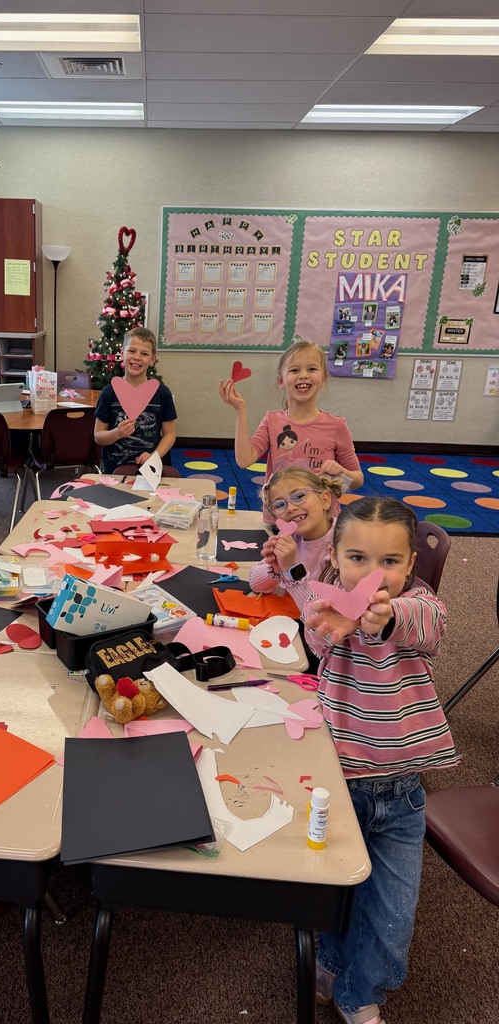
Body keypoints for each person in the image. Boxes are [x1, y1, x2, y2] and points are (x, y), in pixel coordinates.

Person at [301, 497, 459, 1024]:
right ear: (336, 560)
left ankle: (359, 991)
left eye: (389, 561)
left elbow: (426, 626)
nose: (373, 574)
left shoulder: (419, 606)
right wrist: (327, 621)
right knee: (335, 886)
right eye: (358, 559)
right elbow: (314, 644)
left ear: (411, 563)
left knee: (393, 911)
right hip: (339, 780)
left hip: (402, 790)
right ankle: (332, 963)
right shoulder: (325, 601)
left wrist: (382, 618)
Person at [218, 339, 363, 520]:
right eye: (294, 370)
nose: (303, 375)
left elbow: (357, 480)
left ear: (323, 379)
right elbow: (244, 460)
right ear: (281, 380)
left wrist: (342, 472)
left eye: (312, 369)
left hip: (322, 525)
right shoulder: (272, 421)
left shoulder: (336, 426)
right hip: (282, 521)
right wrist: (240, 410)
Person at [248, 467, 343, 597]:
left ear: (325, 500)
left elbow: (323, 608)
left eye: (299, 496)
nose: (290, 508)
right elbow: (256, 585)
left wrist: (290, 568)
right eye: (280, 505)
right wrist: (274, 568)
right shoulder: (289, 537)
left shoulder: (343, 544)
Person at [94, 327, 177, 474]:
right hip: (115, 469)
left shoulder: (162, 393)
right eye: (132, 351)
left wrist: (154, 456)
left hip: (151, 468)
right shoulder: (109, 393)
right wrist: (117, 433)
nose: (137, 357)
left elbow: (170, 434)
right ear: (122, 354)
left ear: (152, 360)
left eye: (144, 353)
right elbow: (98, 436)